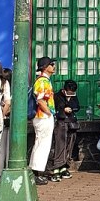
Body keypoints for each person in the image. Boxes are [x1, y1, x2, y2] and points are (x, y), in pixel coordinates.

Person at [29, 56, 57, 185]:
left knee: (41, 143)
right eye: (52, 64)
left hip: (42, 116)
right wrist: (49, 113)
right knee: (43, 144)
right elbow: (40, 100)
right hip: (42, 117)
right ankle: (36, 172)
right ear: (46, 67)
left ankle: (36, 170)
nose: (54, 66)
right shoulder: (43, 82)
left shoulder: (44, 80)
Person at [48, 79, 80, 180]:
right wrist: (63, 109)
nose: (70, 95)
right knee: (59, 144)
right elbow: (54, 108)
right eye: (69, 92)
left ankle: (64, 166)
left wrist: (71, 107)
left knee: (69, 145)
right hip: (60, 122)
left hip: (71, 122)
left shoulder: (74, 97)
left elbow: (77, 107)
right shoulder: (57, 96)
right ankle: (56, 167)